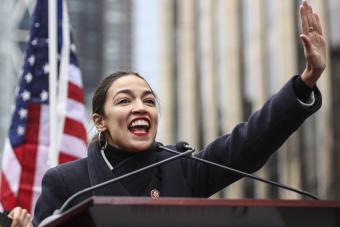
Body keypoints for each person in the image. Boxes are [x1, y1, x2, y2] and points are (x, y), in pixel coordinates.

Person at [33, 1, 326, 226]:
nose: (140, 107)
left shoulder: (181, 167)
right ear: (100, 121)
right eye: (124, 101)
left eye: (149, 100)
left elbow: (249, 142)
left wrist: (306, 82)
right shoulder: (65, 183)